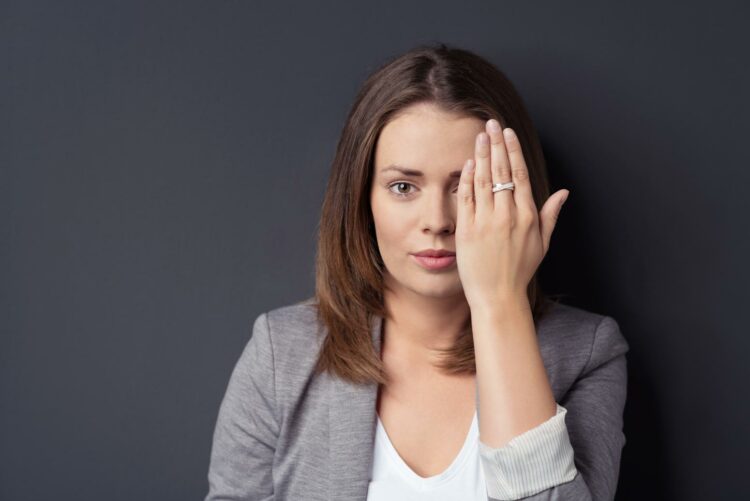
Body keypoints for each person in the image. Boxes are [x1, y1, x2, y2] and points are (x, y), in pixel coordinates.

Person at [204, 43, 629, 501]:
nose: (438, 220)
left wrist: (499, 303)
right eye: (403, 187)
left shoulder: (588, 353)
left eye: (467, 187)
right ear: (362, 199)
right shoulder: (279, 356)